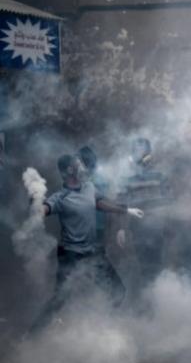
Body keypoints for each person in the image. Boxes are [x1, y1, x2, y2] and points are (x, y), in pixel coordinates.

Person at [29, 154, 144, 333]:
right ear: (70, 170)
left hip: (92, 252)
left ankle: (101, 330)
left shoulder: (89, 187)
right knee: (60, 300)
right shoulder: (60, 197)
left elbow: (100, 203)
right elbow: (44, 209)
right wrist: (36, 205)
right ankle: (32, 335)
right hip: (70, 254)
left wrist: (126, 210)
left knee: (118, 291)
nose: (83, 167)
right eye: (79, 164)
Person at [117, 138, 170, 292]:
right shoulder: (126, 179)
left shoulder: (160, 176)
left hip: (157, 228)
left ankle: (160, 298)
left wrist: (167, 224)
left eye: (143, 151)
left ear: (149, 154)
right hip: (138, 228)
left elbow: (169, 202)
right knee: (144, 266)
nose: (139, 155)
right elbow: (122, 205)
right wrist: (121, 229)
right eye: (136, 151)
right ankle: (150, 298)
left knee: (157, 264)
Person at [78, 146, 111, 248]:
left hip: (96, 223)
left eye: (79, 161)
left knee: (96, 250)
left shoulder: (99, 178)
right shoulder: (82, 177)